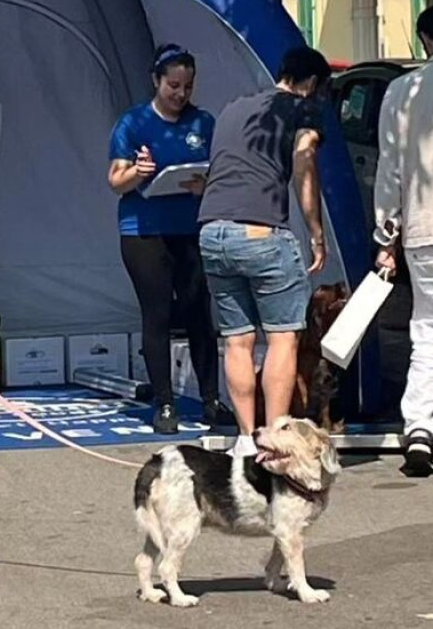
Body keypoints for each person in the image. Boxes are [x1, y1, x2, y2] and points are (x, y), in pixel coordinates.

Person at [198, 46, 331, 454]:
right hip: (262, 234)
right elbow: (304, 163)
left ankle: (244, 438)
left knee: (237, 340)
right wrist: (315, 231)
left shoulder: (235, 109)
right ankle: (274, 437)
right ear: (310, 84)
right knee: (281, 339)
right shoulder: (301, 111)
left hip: (212, 231)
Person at [108, 44, 234, 434]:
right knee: (158, 313)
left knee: (199, 312)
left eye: (187, 87)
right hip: (144, 231)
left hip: (190, 229)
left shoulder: (204, 123)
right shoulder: (134, 123)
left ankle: (212, 400)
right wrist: (140, 172)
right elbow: (116, 180)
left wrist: (204, 184)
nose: (180, 94)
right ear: (156, 82)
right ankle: (165, 403)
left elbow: (219, 174)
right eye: (173, 86)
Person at [374, 4, 433, 477]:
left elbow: (390, 168)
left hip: (423, 227)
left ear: (423, 40)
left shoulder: (401, 90)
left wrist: (386, 233)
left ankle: (419, 426)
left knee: (429, 327)